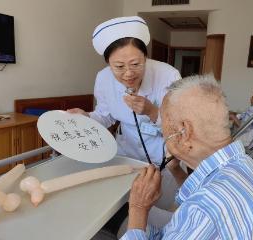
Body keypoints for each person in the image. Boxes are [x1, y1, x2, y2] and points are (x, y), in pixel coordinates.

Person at [120, 75, 253, 239]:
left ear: (183, 132)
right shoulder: (247, 165)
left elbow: (202, 206)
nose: (163, 132)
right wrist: (176, 171)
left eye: (163, 125)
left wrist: (138, 207)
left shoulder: (205, 208)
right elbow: (199, 194)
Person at [68, 16, 181, 236]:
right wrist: (86, 117)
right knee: (122, 205)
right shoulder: (102, 78)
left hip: (162, 157)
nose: (128, 74)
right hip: (125, 155)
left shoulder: (168, 75)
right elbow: (105, 116)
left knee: (155, 214)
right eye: (118, 67)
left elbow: (178, 127)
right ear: (108, 63)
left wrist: (151, 111)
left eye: (136, 64)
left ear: (146, 57)